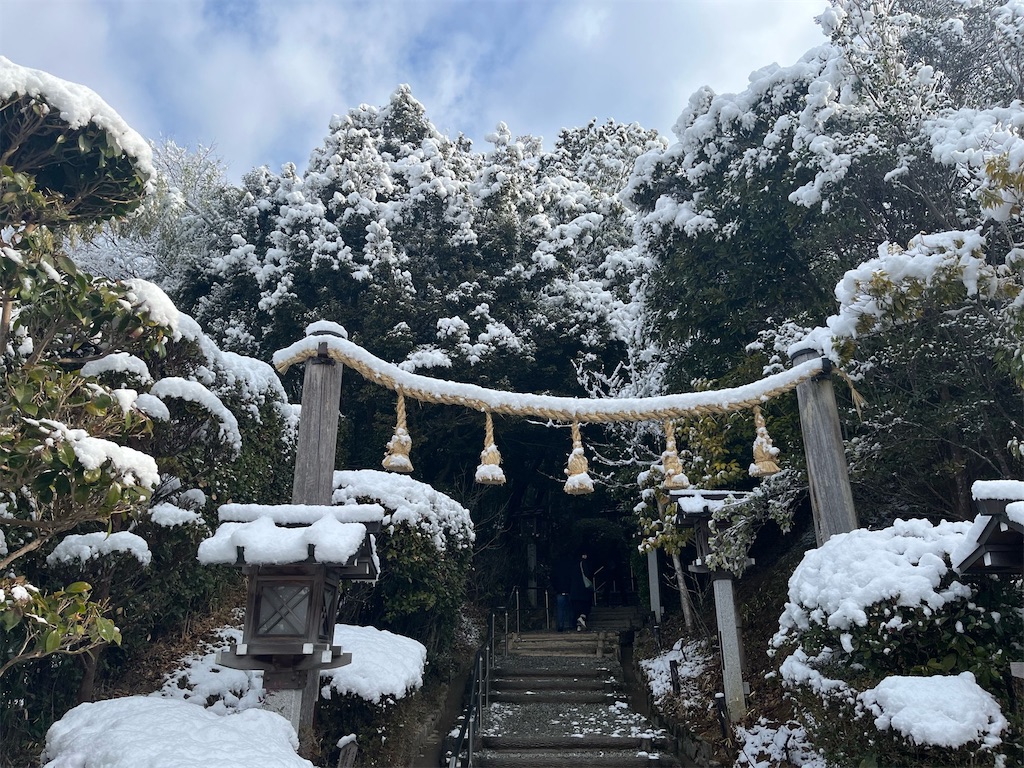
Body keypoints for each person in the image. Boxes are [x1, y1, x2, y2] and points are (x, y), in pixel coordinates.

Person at [570, 551, 595, 631]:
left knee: (576, 608)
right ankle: (582, 618)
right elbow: (588, 574)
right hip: (583, 590)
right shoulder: (584, 563)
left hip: (574, 591)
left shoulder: (573, 564)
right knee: (585, 607)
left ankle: (578, 626)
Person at [550, 556, 574, 632]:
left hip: (559, 591)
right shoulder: (571, 568)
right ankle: (571, 624)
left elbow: (553, 579)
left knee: (560, 609)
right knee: (571, 608)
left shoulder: (556, 569)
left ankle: (560, 625)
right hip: (569, 591)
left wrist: (556, 589)